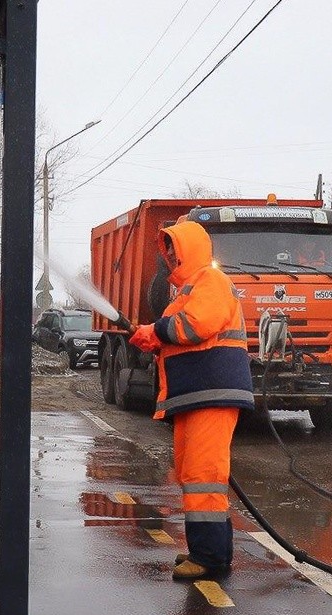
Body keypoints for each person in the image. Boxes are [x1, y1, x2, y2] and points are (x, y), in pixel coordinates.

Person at [129, 221, 254, 580]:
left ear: (190, 248)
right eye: (165, 248)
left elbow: (196, 325)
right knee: (191, 474)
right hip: (195, 397)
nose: (168, 255)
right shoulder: (186, 291)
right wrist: (153, 338)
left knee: (204, 476)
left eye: (173, 247)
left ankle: (211, 559)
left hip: (211, 394)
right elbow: (179, 333)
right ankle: (207, 551)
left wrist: (156, 331)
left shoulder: (209, 281)